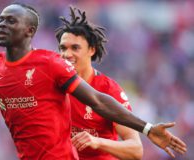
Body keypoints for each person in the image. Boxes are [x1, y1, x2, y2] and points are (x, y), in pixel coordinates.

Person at [0, 3, 186, 160]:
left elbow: (100, 104)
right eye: (0, 20)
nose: (1, 25)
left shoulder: (53, 68)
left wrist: (147, 129)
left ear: (29, 31)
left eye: (10, 21)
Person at [56, 6, 143, 160]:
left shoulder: (109, 90)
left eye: (75, 48)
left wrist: (98, 142)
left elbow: (136, 150)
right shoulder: (53, 85)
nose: (67, 54)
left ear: (92, 50)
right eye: (63, 48)